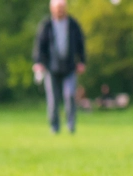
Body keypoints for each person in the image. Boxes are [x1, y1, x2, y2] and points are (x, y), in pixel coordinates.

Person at [32, 0, 86, 134]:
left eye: (62, 7)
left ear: (66, 8)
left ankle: (71, 125)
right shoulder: (46, 25)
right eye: (57, 7)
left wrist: (82, 61)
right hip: (51, 68)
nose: (60, 10)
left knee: (70, 96)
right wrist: (38, 62)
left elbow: (81, 42)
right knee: (53, 100)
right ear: (52, 9)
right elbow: (40, 45)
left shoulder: (73, 24)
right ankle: (54, 127)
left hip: (70, 67)